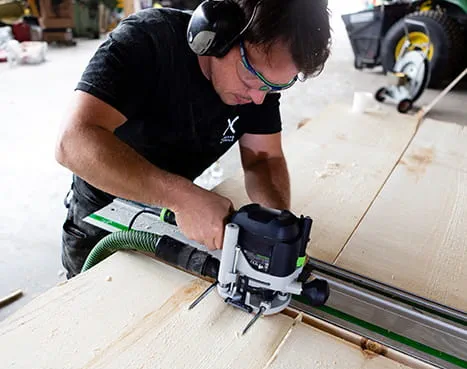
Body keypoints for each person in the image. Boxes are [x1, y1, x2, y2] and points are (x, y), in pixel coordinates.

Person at [56, 0, 331, 278]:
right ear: (216, 37)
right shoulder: (147, 41)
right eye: (250, 79)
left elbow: (264, 159)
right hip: (102, 216)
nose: (258, 98)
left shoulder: (261, 86)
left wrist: (276, 225)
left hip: (170, 214)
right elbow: (73, 141)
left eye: (274, 86)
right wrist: (182, 198)